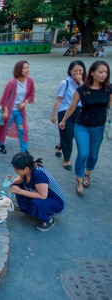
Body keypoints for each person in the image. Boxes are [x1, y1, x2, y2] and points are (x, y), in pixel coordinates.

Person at [59, 61, 112, 196]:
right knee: (83, 153)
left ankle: (87, 173)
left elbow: (110, 106)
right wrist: (63, 121)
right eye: (100, 72)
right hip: (82, 126)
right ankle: (79, 179)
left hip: (98, 127)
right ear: (92, 73)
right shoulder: (82, 90)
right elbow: (72, 107)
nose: (104, 75)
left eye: (106, 72)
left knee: (93, 155)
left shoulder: (108, 89)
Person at [7, 152, 66, 231]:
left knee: (37, 202)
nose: (15, 170)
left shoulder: (39, 174)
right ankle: (29, 208)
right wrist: (13, 181)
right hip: (44, 196)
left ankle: (48, 219)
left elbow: (43, 196)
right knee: (17, 186)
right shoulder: (28, 170)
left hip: (57, 203)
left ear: (26, 169)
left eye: (17, 169)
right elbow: (21, 178)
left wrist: (21, 191)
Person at [51, 61, 86, 171]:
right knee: (68, 134)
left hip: (79, 112)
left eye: (80, 71)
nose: (77, 73)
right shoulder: (65, 83)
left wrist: (80, 82)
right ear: (70, 71)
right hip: (65, 112)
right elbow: (58, 99)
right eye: (75, 71)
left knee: (72, 134)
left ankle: (61, 145)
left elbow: (87, 95)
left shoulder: (86, 84)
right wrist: (54, 114)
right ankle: (67, 159)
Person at [0, 60, 35, 154]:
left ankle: (24, 150)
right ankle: (0, 144)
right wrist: (5, 111)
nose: (27, 70)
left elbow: (31, 94)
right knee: (5, 128)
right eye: (24, 68)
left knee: (23, 129)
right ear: (18, 70)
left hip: (20, 112)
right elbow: (5, 98)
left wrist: (25, 102)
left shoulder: (30, 81)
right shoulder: (12, 82)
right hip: (9, 111)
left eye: (28, 67)